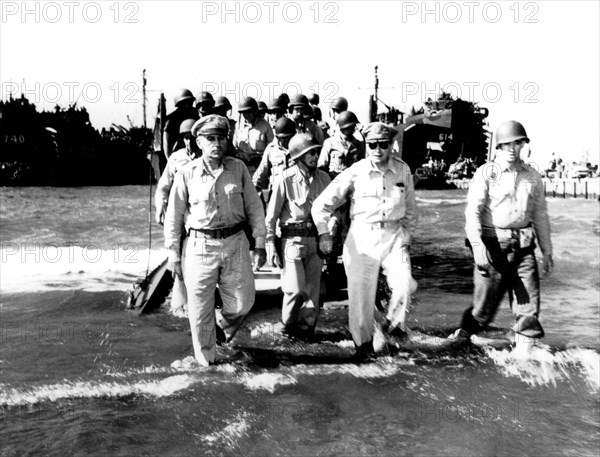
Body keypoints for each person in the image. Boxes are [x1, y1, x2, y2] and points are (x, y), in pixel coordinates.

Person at [164, 115, 267, 367]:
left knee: (243, 303)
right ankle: (206, 363)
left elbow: (254, 207)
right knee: (199, 311)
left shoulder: (239, 168)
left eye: (221, 138)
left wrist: (261, 241)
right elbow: (174, 216)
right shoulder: (186, 173)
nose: (217, 144)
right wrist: (173, 254)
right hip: (199, 246)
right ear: (198, 142)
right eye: (210, 139)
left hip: (236, 243)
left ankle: (221, 328)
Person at [312, 122, 418, 358]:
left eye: (383, 145)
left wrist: (407, 238)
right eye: (372, 145)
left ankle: (389, 327)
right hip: (362, 237)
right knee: (361, 298)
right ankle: (363, 347)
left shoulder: (403, 170)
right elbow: (321, 205)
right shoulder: (354, 172)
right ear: (367, 146)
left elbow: (410, 210)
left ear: (391, 145)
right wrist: (324, 233)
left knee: (404, 284)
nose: (378, 149)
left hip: (394, 235)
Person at [456, 120, 553, 341]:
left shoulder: (532, 176)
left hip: (524, 249)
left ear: (523, 145)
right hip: (493, 248)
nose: (512, 149)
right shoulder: (485, 173)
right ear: (498, 147)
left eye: (517, 143)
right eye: (507, 144)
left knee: (529, 313)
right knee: (483, 312)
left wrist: (547, 252)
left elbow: (540, 216)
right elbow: (472, 213)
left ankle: (525, 359)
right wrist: (478, 249)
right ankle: (459, 344)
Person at [265, 134, 331, 337]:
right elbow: (271, 216)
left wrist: (328, 237)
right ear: (298, 155)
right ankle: (286, 327)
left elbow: (331, 211)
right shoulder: (285, 179)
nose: (315, 155)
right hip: (292, 241)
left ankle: (306, 331)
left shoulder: (324, 179)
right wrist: (270, 245)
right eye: (311, 152)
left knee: (313, 293)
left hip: (316, 241)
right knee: (294, 290)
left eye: (316, 151)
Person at [155, 118, 201, 316]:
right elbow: (163, 187)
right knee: (178, 255)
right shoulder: (176, 158)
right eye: (185, 138)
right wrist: (160, 207)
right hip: (179, 212)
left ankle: (199, 298)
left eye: (192, 137)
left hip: (198, 214)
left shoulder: (206, 157)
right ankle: (180, 300)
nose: (189, 141)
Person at [252, 117, 296, 203]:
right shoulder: (271, 150)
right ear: (278, 138)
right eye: (284, 138)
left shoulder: (300, 148)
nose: (287, 140)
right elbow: (260, 174)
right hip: (276, 194)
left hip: (295, 193)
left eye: (289, 137)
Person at [318, 111, 365, 179]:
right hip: (334, 183)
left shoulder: (358, 144)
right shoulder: (330, 143)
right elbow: (322, 166)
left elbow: (362, 167)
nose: (354, 128)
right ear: (343, 128)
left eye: (354, 126)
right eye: (351, 126)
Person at [233, 96, 274, 173]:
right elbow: (235, 147)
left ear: (255, 111)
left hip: (259, 166)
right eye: (243, 112)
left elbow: (272, 147)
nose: (246, 115)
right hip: (242, 166)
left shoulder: (265, 125)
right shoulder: (238, 126)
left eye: (249, 111)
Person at [163, 88, 199, 159]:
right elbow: (166, 143)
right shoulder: (171, 120)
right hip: (178, 153)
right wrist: (170, 160)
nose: (188, 105)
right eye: (185, 103)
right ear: (179, 104)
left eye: (190, 102)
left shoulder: (195, 114)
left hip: (196, 150)